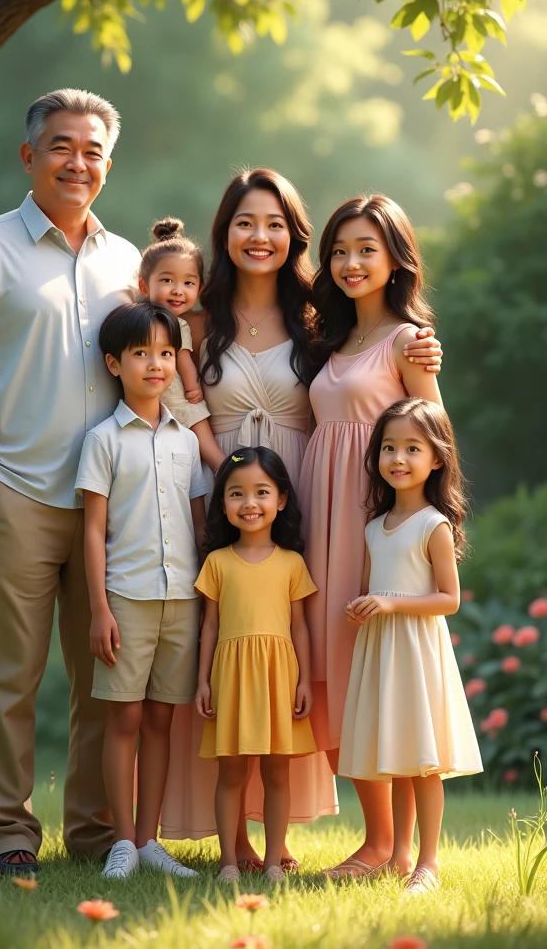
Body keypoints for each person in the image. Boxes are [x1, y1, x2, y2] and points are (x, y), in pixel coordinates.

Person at [162, 170, 441, 870]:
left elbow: (416, 416)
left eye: (276, 224)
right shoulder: (202, 318)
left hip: (316, 501)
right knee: (236, 648)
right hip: (229, 489)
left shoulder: (319, 319)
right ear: (223, 232)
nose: (261, 237)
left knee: (315, 655)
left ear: (295, 236)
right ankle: (239, 840)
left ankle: (372, 844)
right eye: (245, 223)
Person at [0, 88, 141, 875]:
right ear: (29, 156)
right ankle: (9, 835)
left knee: (103, 681)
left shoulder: (127, 263)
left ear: (107, 167)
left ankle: (94, 833)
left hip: (107, 509)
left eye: (92, 151)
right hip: (16, 495)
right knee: (8, 678)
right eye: (61, 146)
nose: (76, 162)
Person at [298, 193, 446, 880]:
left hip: (376, 525)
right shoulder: (330, 337)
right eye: (340, 250)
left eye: (367, 249)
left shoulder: (408, 340)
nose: (352, 262)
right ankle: (380, 842)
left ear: (394, 260)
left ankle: (388, 849)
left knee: (376, 673)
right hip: (323, 517)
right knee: (336, 674)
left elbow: (432, 434)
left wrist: (418, 532)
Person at [76, 301, 207, 879]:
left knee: (161, 721)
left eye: (165, 353)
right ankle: (123, 842)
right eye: (140, 354)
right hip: (126, 598)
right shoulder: (103, 440)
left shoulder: (187, 442)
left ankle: (151, 840)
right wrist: (99, 608)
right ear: (114, 363)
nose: (156, 365)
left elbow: (201, 525)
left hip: (183, 598)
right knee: (123, 719)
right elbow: (93, 528)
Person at [339, 398, 482, 893]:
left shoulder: (433, 525)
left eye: (412, 448)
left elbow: (450, 599)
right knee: (398, 756)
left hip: (418, 651)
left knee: (423, 761)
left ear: (437, 458)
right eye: (388, 448)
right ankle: (398, 856)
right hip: (384, 651)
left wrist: (390, 603)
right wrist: (364, 606)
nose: (398, 458)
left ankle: (428, 862)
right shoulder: (373, 527)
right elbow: (373, 587)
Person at [195, 447, 317, 884]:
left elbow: (300, 627)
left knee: (276, 772)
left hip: (279, 677)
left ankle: (271, 864)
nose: (249, 503)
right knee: (231, 772)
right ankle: (228, 860)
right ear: (223, 503)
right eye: (236, 494)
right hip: (230, 678)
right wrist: (202, 682)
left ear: (281, 499)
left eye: (261, 492)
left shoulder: (292, 562)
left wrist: (304, 680)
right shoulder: (216, 562)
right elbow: (208, 627)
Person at [138, 218, 223, 471]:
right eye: (167, 281)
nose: (178, 290)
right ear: (143, 285)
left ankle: (222, 465)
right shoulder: (139, 321)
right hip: (156, 399)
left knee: (198, 429)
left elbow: (184, 357)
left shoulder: (179, 325)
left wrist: (191, 386)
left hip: (178, 396)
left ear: (200, 289)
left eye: (188, 283)